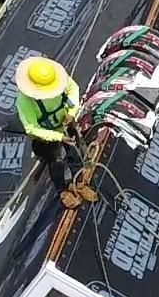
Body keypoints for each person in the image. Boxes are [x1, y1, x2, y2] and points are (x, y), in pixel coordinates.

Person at [15, 57, 97, 209]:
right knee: (56, 160)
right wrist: (58, 137)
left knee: (76, 151)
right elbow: (31, 128)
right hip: (46, 135)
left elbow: (73, 89)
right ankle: (63, 190)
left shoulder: (58, 78)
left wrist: (71, 113)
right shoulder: (24, 101)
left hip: (65, 121)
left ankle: (79, 182)